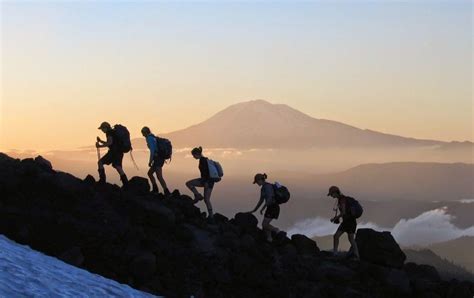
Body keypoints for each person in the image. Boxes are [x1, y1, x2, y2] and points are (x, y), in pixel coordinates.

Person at [248, 173, 284, 242]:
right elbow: (261, 200)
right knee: (265, 226)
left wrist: (263, 208)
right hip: (270, 207)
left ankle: (277, 231)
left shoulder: (267, 187)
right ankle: (269, 239)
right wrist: (254, 210)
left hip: (273, 207)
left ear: (260, 180)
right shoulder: (263, 188)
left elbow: (270, 198)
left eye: (257, 182)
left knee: (264, 224)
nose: (257, 183)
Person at [328, 186, 360, 260]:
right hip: (351, 222)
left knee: (337, 236)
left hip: (348, 222)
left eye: (331, 194)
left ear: (335, 192)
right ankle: (357, 256)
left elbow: (343, 212)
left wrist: (335, 218)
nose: (331, 196)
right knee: (351, 239)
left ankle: (335, 254)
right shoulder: (342, 199)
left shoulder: (342, 200)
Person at [185, 147, 215, 220]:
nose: (193, 157)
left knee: (188, 183)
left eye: (193, 155)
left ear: (197, 154)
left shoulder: (203, 161)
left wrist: (205, 182)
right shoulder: (205, 159)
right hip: (210, 182)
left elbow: (205, 173)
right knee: (207, 199)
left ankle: (197, 195)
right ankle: (211, 216)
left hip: (206, 182)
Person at [96, 122, 129, 187]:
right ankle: (126, 184)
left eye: (102, 128)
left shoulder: (109, 133)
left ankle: (102, 181)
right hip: (119, 152)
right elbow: (112, 143)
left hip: (113, 152)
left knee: (100, 162)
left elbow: (110, 143)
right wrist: (101, 141)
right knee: (118, 167)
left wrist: (99, 146)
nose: (102, 130)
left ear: (106, 128)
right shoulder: (113, 132)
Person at [141, 126, 170, 195]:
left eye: (143, 133)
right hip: (159, 158)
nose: (142, 135)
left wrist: (150, 161)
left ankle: (166, 191)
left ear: (145, 133)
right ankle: (156, 189)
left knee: (159, 176)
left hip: (158, 159)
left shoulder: (149, 138)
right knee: (150, 173)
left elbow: (152, 151)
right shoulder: (153, 137)